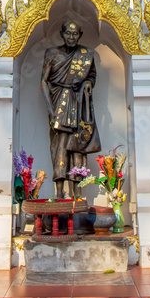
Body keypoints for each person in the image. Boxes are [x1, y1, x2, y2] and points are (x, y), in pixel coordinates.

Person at [41, 21, 101, 199]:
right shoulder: (52, 54)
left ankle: (78, 193)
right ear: (62, 33)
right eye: (68, 33)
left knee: (78, 146)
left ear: (80, 35)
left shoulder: (86, 54)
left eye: (75, 34)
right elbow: (44, 81)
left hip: (79, 103)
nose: (71, 37)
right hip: (59, 102)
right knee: (59, 146)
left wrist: (88, 83)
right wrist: (51, 110)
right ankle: (59, 193)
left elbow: (91, 76)